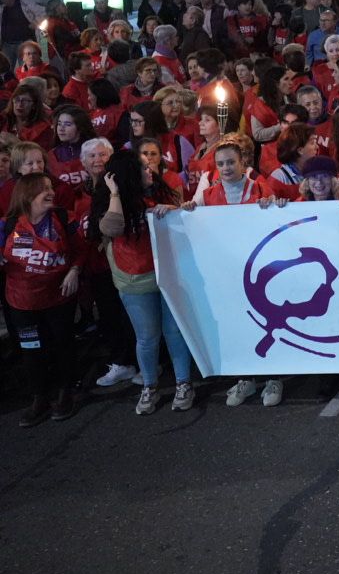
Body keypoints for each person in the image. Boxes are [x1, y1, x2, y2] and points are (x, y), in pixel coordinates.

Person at [90, 148, 195, 414]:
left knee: (174, 332)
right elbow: (112, 228)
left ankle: (184, 383)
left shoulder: (161, 191)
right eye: (144, 169)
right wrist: (115, 192)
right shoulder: (112, 201)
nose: (151, 171)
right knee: (147, 338)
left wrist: (173, 209)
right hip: (134, 279)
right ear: (129, 176)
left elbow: (184, 220)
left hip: (169, 275)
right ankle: (149, 386)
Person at [4, 172, 86, 425]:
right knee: (31, 351)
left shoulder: (63, 217)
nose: (51, 193)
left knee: (63, 344)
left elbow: (82, 250)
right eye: (44, 190)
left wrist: (74, 271)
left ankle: (66, 392)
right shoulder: (8, 224)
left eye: (51, 188)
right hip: (22, 302)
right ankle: (39, 397)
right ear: (28, 195)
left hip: (58, 298)